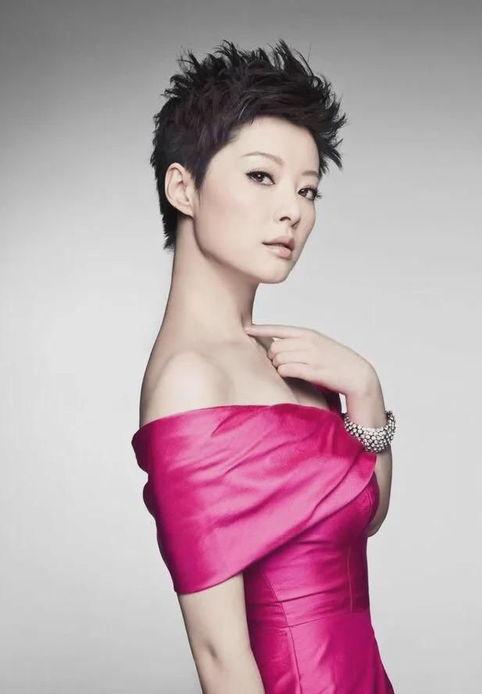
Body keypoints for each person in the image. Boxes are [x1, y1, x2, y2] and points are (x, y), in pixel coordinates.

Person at [131, 39, 396, 693]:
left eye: (308, 189)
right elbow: (221, 659)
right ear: (183, 187)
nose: (293, 210)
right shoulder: (191, 380)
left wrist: (365, 389)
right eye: (261, 176)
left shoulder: (291, 364)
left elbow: (363, 516)